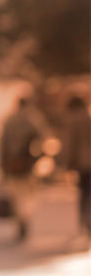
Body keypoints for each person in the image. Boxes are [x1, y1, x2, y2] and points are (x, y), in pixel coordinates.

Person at [0, 97, 44, 241]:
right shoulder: (33, 120)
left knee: (16, 195)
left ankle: (20, 220)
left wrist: (2, 164)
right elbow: (41, 141)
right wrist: (36, 158)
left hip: (11, 164)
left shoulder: (9, 121)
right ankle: (25, 219)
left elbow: (2, 144)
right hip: (27, 164)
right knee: (28, 194)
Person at [60, 96, 91, 241]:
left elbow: (70, 144)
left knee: (84, 194)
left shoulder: (73, 120)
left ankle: (85, 221)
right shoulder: (88, 116)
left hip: (83, 164)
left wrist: (66, 164)